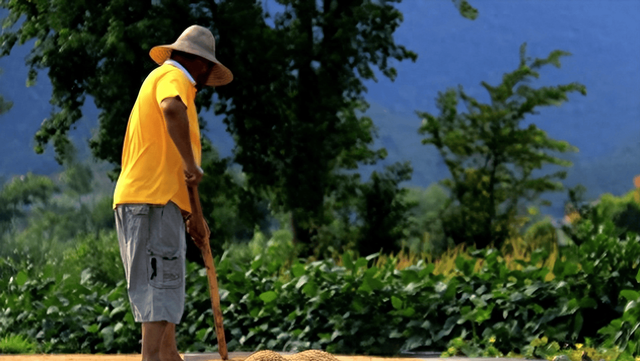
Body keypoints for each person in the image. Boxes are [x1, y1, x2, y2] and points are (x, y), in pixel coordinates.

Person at [113, 25, 232, 361]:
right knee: (159, 294)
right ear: (199, 62)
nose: (206, 78)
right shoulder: (174, 76)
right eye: (208, 69)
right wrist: (191, 163)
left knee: (162, 296)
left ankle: (167, 358)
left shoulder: (171, 83)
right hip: (152, 203)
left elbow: (178, 175)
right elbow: (171, 110)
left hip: (153, 202)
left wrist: (194, 215)